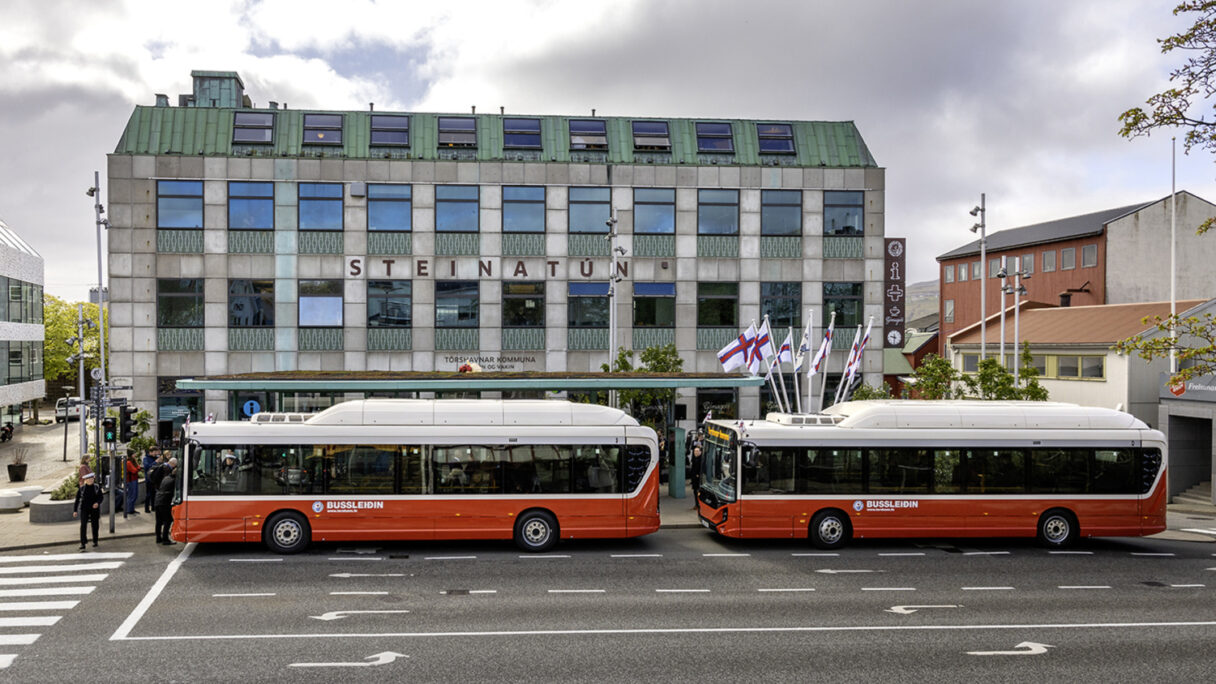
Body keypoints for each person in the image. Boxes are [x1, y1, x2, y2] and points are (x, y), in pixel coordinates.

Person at [73, 472, 103, 550]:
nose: (90, 480)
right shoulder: (82, 489)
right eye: (88, 479)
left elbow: (101, 497)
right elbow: (77, 500)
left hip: (94, 509)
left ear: (93, 479)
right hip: (84, 509)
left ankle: (95, 540)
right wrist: (75, 510)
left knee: (95, 525)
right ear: (85, 480)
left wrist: (97, 503)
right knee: (83, 525)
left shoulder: (96, 487)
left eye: (91, 479)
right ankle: (83, 543)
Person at [154, 457, 178, 546]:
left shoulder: (166, 478)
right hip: (165, 502)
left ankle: (158, 538)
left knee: (159, 521)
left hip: (158, 500)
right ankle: (165, 539)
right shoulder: (174, 481)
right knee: (168, 520)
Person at [143, 448, 161, 513]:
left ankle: (153, 507)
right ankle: (146, 508)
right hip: (149, 479)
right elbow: (147, 467)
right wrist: (155, 462)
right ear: (150, 452)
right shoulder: (146, 458)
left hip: (155, 478)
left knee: (154, 494)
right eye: (154, 452)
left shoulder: (155, 458)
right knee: (148, 494)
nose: (156, 453)